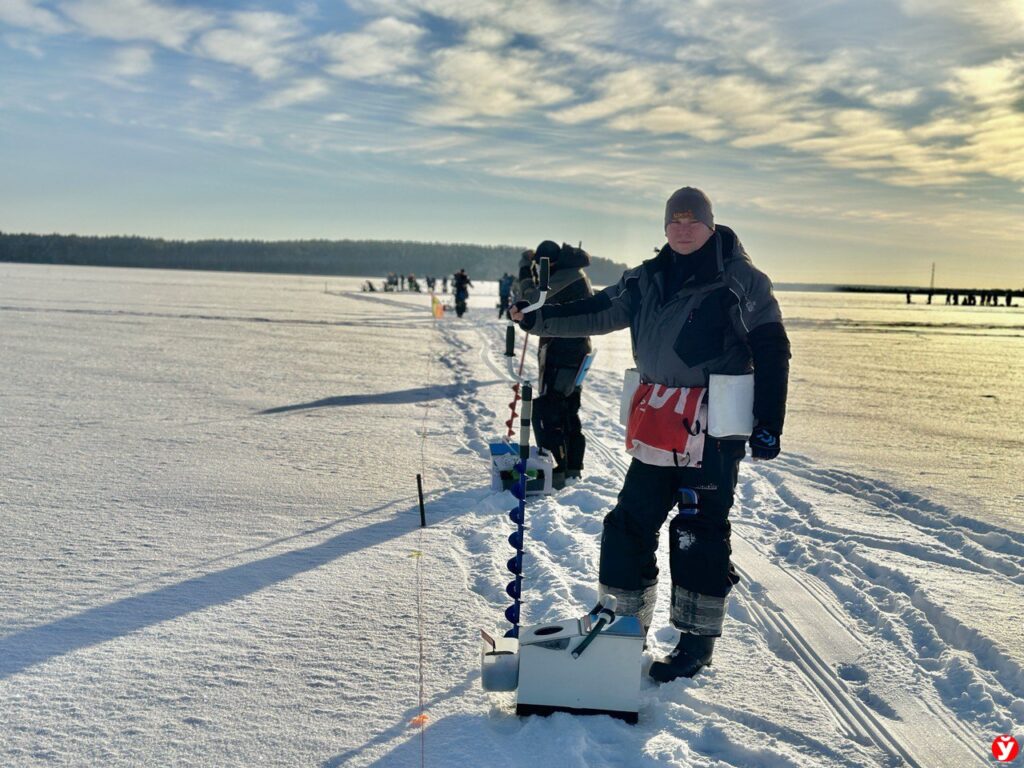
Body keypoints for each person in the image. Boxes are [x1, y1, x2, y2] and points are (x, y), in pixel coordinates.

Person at [511, 187, 791, 683]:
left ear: (709, 224)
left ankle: (695, 644)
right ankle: (622, 627)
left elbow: (772, 347)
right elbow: (598, 311)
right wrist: (539, 319)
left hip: (713, 432)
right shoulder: (645, 278)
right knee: (627, 524)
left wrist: (768, 421)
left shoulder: (740, 280)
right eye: (674, 221)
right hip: (659, 421)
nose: (683, 229)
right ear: (665, 227)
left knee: (697, 534)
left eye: (692, 221)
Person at [514, 243, 592, 488]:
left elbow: (531, 300)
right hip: (572, 350)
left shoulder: (565, 278)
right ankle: (570, 468)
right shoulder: (571, 273)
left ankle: (557, 470)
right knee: (566, 408)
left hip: (564, 352)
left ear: (547, 263)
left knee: (551, 409)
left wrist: (525, 270)